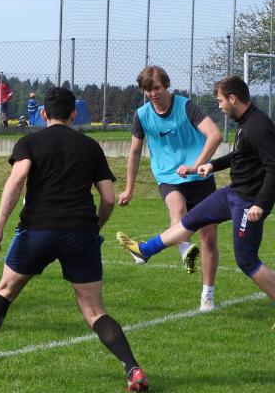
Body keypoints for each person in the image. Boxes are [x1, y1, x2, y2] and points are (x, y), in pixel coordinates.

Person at [0, 86, 148, 393]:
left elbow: (17, 180)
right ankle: (133, 369)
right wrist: (94, 226)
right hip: (80, 233)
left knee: (5, 291)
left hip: (37, 230)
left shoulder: (29, 142)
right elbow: (109, 198)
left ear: (43, 114)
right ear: (74, 114)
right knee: (94, 311)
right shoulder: (90, 146)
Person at [117, 75, 275, 311]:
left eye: (220, 101)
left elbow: (273, 167)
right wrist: (211, 165)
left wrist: (260, 204)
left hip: (248, 203)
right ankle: (144, 251)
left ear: (232, 98)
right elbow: (239, 156)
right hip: (232, 193)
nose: (219, 106)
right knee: (189, 220)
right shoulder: (246, 122)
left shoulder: (258, 126)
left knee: (247, 261)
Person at [119, 65, 222, 312]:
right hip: (168, 177)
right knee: (177, 209)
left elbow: (215, 135)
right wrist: (129, 188)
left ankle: (207, 295)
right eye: (148, 90)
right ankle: (185, 248)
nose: (153, 94)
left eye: (156, 88)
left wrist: (196, 165)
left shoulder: (187, 107)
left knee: (208, 238)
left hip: (199, 178)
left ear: (166, 85)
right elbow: (134, 152)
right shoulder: (141, 115)